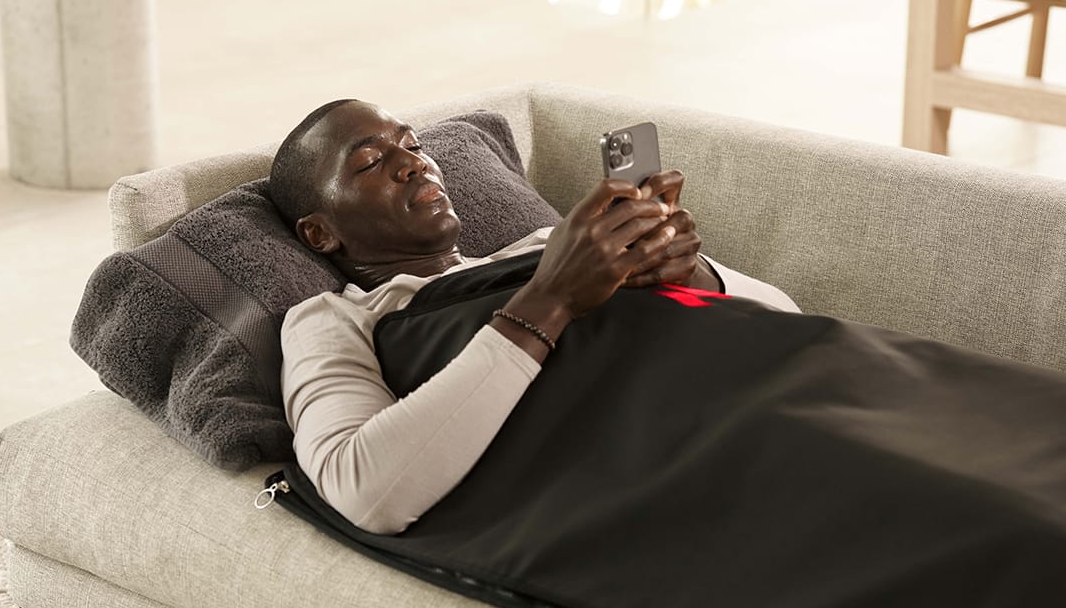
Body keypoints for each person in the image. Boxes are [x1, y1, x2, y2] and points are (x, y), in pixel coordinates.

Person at [271, 99, 800, 535]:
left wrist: (690, 277)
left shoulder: (551, 245)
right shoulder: (334, 319)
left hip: (779, 396)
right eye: (369, 163)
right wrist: (551, 301)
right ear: (319, 234)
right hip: (694, 461)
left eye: (412, 145)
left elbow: (786, 318)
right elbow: (365, 493)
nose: (413, 164)